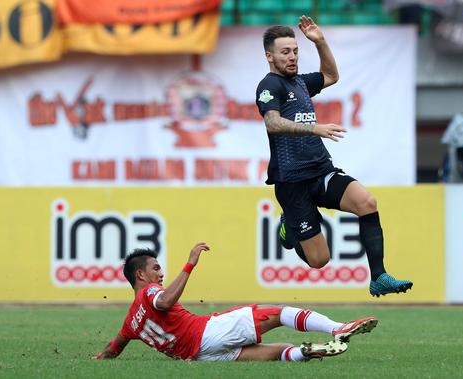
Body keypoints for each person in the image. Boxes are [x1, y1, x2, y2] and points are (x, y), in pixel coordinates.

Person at [255, 16, 413, 297]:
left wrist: (320, 42)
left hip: (320, 171)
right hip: (292, 183)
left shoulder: (301, 83)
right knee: (319, 260)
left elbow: (331, 76)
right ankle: (288, 228)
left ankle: (378, 277)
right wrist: (314, 128)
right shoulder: (270, 86)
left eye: (295, 51)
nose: (292, 57)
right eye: (285, 52)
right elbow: (272, 123)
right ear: (269, 56)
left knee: (367, 202)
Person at [93, 243, 378, 362]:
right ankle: (339, 328)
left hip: (199, 357)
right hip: (207, 333)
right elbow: (165, 302)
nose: (161, 273)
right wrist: (190, 264)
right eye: (156, 268)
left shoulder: (131, 320)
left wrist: (98, 361)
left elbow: (113, 347)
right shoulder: (150, 292)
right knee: (280, 313)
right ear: (141, 274)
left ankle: (309, 352)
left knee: (275, 352)